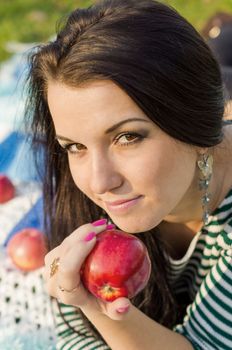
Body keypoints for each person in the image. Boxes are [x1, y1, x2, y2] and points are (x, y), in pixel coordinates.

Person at [25, 0, 232, 349]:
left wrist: (97, 307)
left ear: (197, 127)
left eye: (127, 137)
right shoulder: (91, 180)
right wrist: (84, 303)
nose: (99, 182)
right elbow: (77, 340)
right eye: (75, 146)